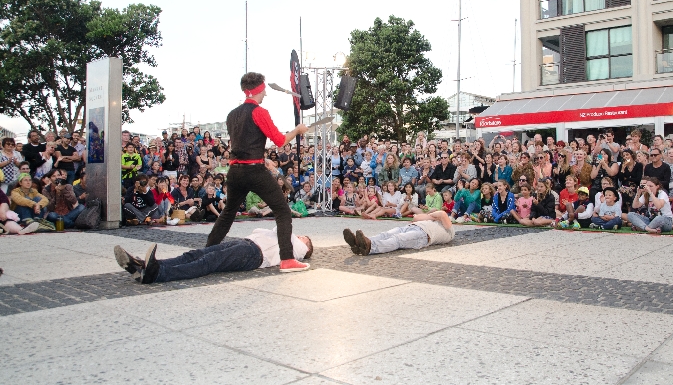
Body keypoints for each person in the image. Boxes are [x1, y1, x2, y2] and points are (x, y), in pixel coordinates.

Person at [205, 72, 309, 273]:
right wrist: (297, 130)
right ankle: (287, 259)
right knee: (282, 211)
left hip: (235, 171)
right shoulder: (260, 112)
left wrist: (263, 157)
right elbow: (280, 141)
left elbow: (245, 141)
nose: (266, 94)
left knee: (227, 214)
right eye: (265, 90)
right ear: (259, 89)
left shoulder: (231, 115)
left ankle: (208, 251)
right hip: (254, 171)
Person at [114, 227, 313, 284]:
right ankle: (145, 265)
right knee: (196, 253)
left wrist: (299, 238)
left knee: (209, 261)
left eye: (306, 238)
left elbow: (283, 233)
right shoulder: (289, 238)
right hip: (246, 243)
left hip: (254, 254)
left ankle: (157, 274)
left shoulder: (299, 250)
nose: (302, 236)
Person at [342, 210, 454, 256]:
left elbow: (443, 214)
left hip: (423, 235)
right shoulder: (432, 220)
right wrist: (432, 216)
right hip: (412, 227)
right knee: (386, 234)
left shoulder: (450, 231)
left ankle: (370, 247)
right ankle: (359, 243)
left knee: (398, 239)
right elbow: (416, 218)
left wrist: (432, 216)